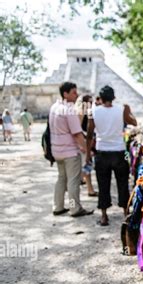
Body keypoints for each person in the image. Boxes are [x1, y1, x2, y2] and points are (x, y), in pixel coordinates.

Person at [86, 85, 137, 226]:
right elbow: (134, 122)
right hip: (119, 152)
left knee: (103, 185)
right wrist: (129, 110)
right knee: (122, 183)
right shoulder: (121, 110)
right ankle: (126, 213)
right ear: (113, 98)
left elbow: (90, 134)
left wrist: (87, 154)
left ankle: (104, 216)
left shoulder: (93, 111)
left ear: (101, 98)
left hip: (102, 152)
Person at [49, 82, 94, 217]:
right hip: (69, 151)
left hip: (56, 150)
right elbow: (77, 133)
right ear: (65, 94)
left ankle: (58, 206)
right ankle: (74, 208)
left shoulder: (54, 107)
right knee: (73, 181)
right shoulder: (69, 110)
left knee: (61, 178)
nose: (76, 95)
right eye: (74, 92)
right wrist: (86, 149)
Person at [76, 95, 97, 197]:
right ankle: (88, 188)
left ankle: (90, 188)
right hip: (83, 142)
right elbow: (78, 129)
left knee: (87, 166)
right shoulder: (81, 112)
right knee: (85, 166)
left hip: (88, 141)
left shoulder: (89, 112)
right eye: (89, 102)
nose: (91, 103)